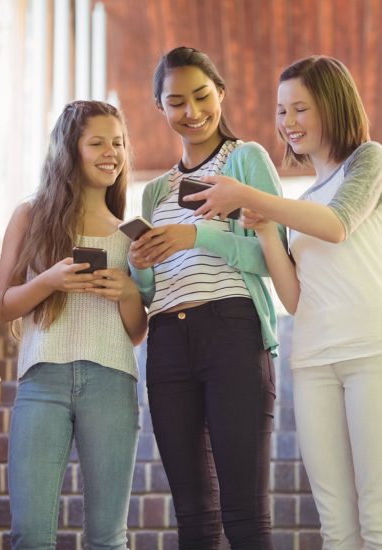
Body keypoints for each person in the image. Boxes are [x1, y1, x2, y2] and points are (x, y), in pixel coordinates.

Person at [187, 55, 382, 549]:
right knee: (335, 524)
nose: (287, 123)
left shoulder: (369, 161)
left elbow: (339, 225)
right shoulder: (304, 201)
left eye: (300, 109)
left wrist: (252, 196)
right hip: (313, 362)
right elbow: (294, 298)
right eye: (281, 111)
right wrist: (268, 228)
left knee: (376, 517)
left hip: (370, 355)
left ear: (333, 107)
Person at [128, 47, 285, 549]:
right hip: (168, 340)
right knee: (192, 518)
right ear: (160, 107)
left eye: (201, 96)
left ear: (221, 92)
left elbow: (273, 259)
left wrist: (195, 237)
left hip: (233, 330)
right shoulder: (155, 192)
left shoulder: (245, 160)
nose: (192, 112)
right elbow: (150, 289)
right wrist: (140, 261)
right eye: (176, 102)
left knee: (243, 514)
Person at [0, 100, 146, 549]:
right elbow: (1, 306)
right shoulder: (31, 217)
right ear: (69, 150)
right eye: (97, 142)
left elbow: (136, 333)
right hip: (43, 381)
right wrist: (50, 280)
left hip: (112, 382)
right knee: (31, 533)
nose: (111, 152)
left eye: (117, 143)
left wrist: (129, 294)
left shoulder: (129, 232)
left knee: (107, 536)